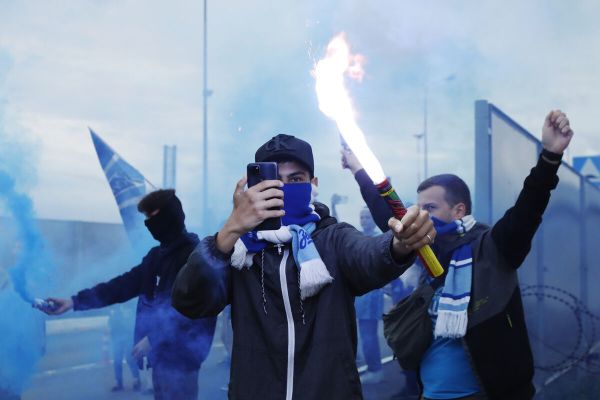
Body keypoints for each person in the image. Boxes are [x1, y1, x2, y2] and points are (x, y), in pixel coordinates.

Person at [172, 133, 435, 400]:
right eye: (275, 180)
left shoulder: (333, 238)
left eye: (296, 179)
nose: (284, 188)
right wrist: (230, 230)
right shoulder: (238, 250)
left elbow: (371, 257)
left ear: (313, 184)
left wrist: (400, 243)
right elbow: (189, 300)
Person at [344, 110, 574, 399]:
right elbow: (386, 214)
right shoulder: (426, 249)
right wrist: (358, 169)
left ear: (458, 210)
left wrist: (550, 156)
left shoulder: (492, 248)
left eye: (430, 208)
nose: (419, 215)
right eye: (418, 208)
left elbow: (528, 208)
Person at [40, 189, 217, 400]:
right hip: (160, 359)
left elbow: (189, 312)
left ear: (169, 217)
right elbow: (121, 285)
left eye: (153, 217)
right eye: (146, 218)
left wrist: (153, 339)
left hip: (182, 362)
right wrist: (73, 301)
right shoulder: (156, 257)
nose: (149, 225)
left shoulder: (195, 256)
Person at [354, 208, 384, 385]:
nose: (364, 220)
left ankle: (375, 370)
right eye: (361, 217)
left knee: (368, 335)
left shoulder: (378, 237)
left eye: (367, 217)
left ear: (373, 219)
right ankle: (371, 367)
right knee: (363, 334)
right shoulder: (358, 235)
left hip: (371, 295)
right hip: (360, 295)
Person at [108, 302, 141, 392]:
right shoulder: (115, 309)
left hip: (128, 337)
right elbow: (111, 322)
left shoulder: (129, 306)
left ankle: (136, 380)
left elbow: (133, 322)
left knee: (130, 358)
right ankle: (118, 383)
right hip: (117, 337)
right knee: (117, 360)